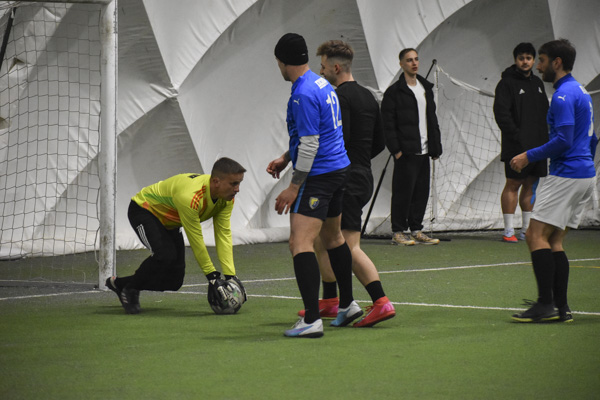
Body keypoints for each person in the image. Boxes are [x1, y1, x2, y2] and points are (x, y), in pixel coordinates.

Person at [293, 39, 395, 327]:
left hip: (344, 177)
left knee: (348, 247)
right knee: (323, 239)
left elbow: (338, 138)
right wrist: (360, 160)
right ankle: (330, 300)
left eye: (323, 66)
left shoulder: (336, 97)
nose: (320, 71)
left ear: (336, 67)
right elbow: (380, 142)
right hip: (361, 174)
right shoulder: (369, 97)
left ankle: (381, 301)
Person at [267, 33, 361, 338]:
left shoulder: (303, 94)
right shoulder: (321, 84)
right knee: (333, 237)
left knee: (300, 243)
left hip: (319, 176)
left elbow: (310, 144)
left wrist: (294, 187)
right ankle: (347, 305)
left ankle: (311, 319)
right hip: (338, 169)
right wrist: (286, 158)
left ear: (283, 61)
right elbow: (317, 131)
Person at [510, 39, 597, 323]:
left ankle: (545, 304)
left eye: (542, 60)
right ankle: (562, 307)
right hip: (585, 175)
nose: (538, 66)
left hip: (566, 175)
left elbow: (563, 140)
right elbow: (592, 139)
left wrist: (528, 156)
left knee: (535, 235)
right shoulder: (581, 91)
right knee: (554, 240)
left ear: (556, 63)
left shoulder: (562, 96)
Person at [105, 157, 247, 314]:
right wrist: (212, 276)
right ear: (216, 182)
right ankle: (130, 289)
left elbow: (223, 235)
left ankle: (120, 284)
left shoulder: (226, 199)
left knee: (174, 282)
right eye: (234, 184)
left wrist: (230, 275)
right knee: (164, 255)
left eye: (239, 183)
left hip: (171, 222)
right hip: (145, 210)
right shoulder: (191, 197)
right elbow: (196, 239)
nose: (237, 189)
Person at [381, 48, 443, 246]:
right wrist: (396, 150)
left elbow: (432, 119)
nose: (414, 63)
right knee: (402, 192)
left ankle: (416, 229)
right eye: (409, 60)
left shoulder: (425, 88)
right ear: (401, 64)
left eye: (416, 59)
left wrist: (435, 146)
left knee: (421, 192)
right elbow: (387, 124)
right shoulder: (394, 92)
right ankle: (398, 231)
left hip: (424, 150)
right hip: (406, 151)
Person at [493, 42, 549, 243]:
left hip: (539, 147)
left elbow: (545, 113)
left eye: (529, 58)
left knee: (531, 185)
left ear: (533, 61)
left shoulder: (538, 83)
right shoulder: (506, 83)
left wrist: (544, 141)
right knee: (513, 184)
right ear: (515, 60)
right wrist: (517, 137)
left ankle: (526, 230)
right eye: (521, 58)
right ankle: (509, 231)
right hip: (516, 146)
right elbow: (501, 114)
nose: (525, 62)